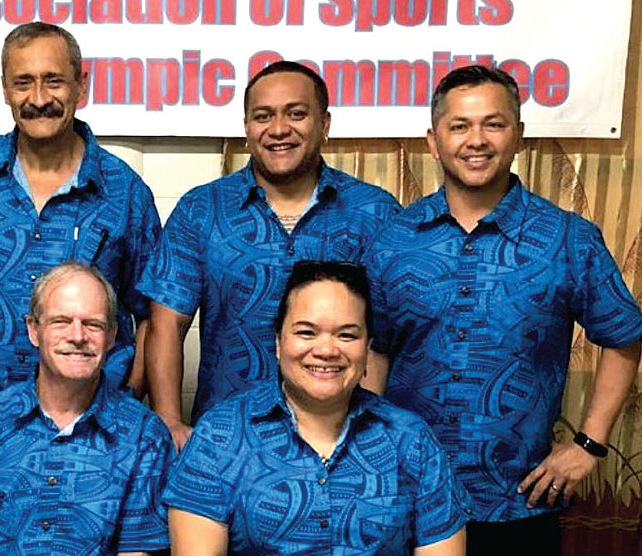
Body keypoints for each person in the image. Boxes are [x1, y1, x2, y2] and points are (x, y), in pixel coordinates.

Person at [361, 65, 642, 553]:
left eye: (493, 124)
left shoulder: (567, 238)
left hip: (519, 503)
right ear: (434, 141)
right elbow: (375, 351)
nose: (477, 140)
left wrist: (589, 445)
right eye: (459, 126)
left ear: (519, 136)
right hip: (408, 498)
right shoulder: (393, 241)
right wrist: (368, 459)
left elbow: (624, 337)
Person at [0, 23, 161, 435]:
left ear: (81, 85)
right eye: (23, 83)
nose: (39, 99)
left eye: (53, 81)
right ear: (5, 89)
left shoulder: (124, 192)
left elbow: (151, 312)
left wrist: (128, 397)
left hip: (94, 426)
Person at [139, 61, 400, 448]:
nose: (279, 129)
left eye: (296, 114)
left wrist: (365, 432)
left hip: (340, 444)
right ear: (247, 127)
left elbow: (383, 338)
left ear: (324, 124)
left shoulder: (375, 212)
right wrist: (169, 422)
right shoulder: (202, 209)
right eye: (263, 116)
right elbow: (166, 324)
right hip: (226, 441)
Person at [162, 260, 468, 555]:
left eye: (347, 335)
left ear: (367, 348)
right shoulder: (220, 436)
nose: (326, 350)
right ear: (278, 343)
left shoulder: (412, 440)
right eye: (306, 332)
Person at [0, 262, 174, 555]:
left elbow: (136, 552)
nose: (78, 336)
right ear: (34, 330)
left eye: (93, 324)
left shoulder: (145, 436)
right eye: (61, 321)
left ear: (111, 336)